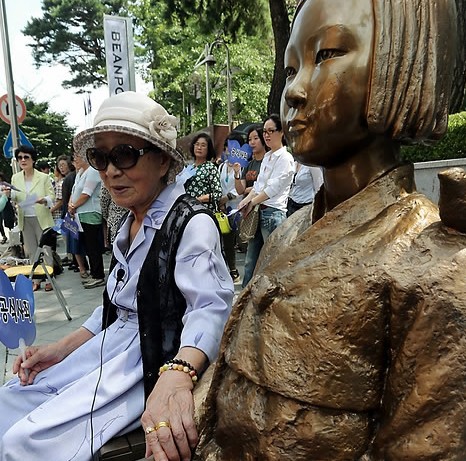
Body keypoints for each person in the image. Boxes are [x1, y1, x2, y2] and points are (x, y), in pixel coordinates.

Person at [194, 0, 466, 460]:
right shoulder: (289, 231)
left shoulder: (433, 264)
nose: (294, 91)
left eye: (327, 55)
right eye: (291, 67)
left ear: (399, 66)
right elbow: (225, 373)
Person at [0, 91, 234, 461]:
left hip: (145, 361)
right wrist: (59, 349)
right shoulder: (129, 220)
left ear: (161, 161)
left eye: (124, 154)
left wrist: (178, 374)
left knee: (27, 443)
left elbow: (210, 308)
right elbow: (114, 306)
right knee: (8, 402)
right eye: (101, 157)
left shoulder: (192, 223)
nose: (110, 171)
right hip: (107, 349)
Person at [238, 114, 294, 287]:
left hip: (273, 214)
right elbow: (258, 185)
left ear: (282, 132)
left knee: (272, 263)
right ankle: (244, 300)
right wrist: (245, 200)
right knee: (250, 262)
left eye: (271, 131)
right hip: (258, 212)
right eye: (265, 131)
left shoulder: (285, 158)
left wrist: (252, 202)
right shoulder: (268, 156)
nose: (267, 135)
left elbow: (272, 188)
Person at [3, 145, 55, 291]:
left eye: (26, 157)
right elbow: (15, 197)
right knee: (31, 250)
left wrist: (43, 199)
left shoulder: (43, 177)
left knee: (45, 249)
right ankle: (36, 279)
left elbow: (52, 197)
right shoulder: (16, 177)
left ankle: (50, 278)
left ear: (33, 159)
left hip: (41, 218)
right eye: (20, 157)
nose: (23, 160)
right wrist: (8, 193)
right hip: (25, 218)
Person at [68, 151, 105, 288]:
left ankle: (98, 276)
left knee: (93, 246)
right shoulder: (80, 173)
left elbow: (86, 194)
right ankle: (93, 273)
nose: (75, 159)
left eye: (77, 156)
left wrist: (74, 206)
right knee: (87, 246)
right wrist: (71, 205)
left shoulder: (93, 171)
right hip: (79, 214)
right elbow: (74, 192)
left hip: (90, 213)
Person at [219, 133, 244, 283]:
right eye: (229, 145)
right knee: (226, 240)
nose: (230, 149)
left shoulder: (243, 165)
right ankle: (232, 270)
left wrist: (228, 197)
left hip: (239, 207)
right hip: (224, 210)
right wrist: (221, 202)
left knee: (242, 240)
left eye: (235, 146)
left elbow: (242, 186)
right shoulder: (222, 165)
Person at [184, 133, 222, 212]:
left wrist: (200, 199)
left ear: (208, 149)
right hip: (187, 210)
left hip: (204, 211)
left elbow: (217, 194)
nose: (199, 148)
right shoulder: (189, 167)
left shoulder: (211, 168)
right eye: (197, 144)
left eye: (203, 145)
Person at [233, 124, 266, 199]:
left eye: (256, 138)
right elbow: (240, 191)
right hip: (247, 206)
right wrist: (237, 174)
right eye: (249, 139)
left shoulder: (269, 161)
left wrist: (249, 190)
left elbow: (267, 188)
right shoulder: (249, 164)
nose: (252, 142)